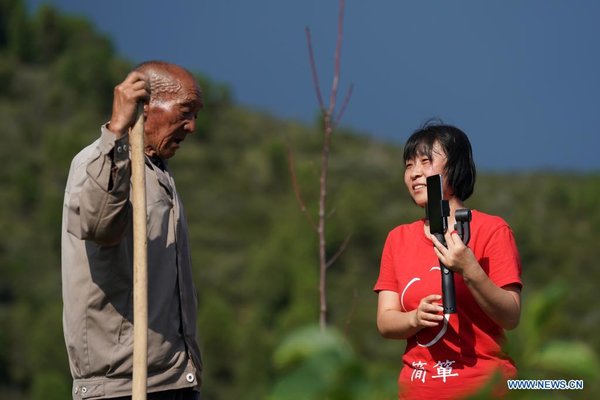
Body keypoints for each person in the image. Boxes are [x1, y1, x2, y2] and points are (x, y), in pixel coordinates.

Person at [61, 61, 204, 400]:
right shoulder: (96, 163)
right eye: (185, 112)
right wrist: (116, 133)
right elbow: (100, 226)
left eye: (197, 114)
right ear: (144, 106)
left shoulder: (159, 173)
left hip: (173, 382)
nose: (192, 126)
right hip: (121, 388)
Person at [374, 122, 522, 399]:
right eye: (408, 165)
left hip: (486, 388)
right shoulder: (398, 238)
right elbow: (385, 321)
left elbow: (511, 316)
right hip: (419, 389)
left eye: (425, 161)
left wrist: (469, 269)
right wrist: (414, 319)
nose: (414, 173)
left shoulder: (492, 230)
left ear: (455, 167)